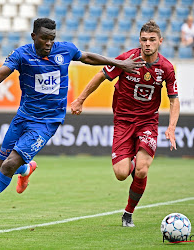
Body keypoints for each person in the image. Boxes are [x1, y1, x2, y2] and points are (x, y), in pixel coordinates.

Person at [0, 17, 145, 228]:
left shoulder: (64, 50)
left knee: (9, 166)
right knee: (1, 166)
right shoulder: (21, 55)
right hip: (23, 117)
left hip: (46, 123)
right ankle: (26, 170)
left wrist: (120, 63)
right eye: (45, 38)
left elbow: (88, 57)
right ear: (33, 37)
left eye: (52, 39)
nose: (49, 43)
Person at [71, 20, 180, 227]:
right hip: (123, 120)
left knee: (142, 169)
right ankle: (134, 170)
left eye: (152, 40)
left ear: (160, 41)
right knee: (121, 174)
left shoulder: (166, 67)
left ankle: (128, 213)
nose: (147, 44)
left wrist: (171, 128)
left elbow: (174, 99)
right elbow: (100, 76)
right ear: (139, 40)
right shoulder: (126, 59)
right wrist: (80, 99)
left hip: (148, 121)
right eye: (144, 40)